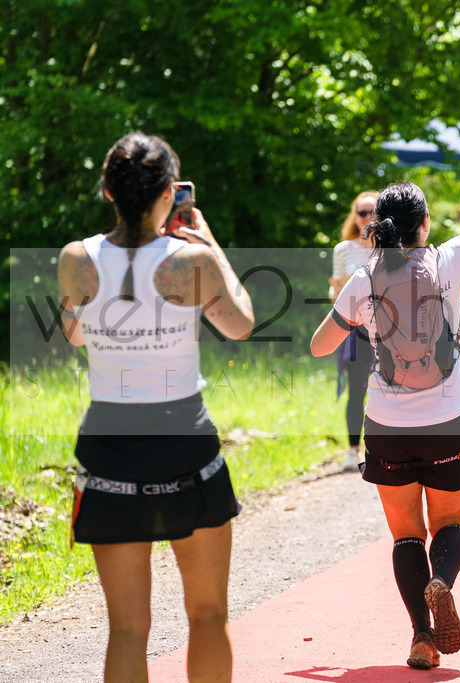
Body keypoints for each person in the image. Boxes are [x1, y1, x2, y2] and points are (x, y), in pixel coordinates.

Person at [310, 102, 460, 669]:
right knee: (452, 524)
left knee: (406, 536)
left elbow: (320, 346)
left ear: (376, 226)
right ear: (424, 224)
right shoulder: (448, 260)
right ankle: (441, 581)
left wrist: (358, 318)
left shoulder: (361, 277)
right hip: (447, 419)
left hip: (386, 426)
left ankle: (422, 638)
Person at [57, 132, 255, 682]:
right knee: (208, 614)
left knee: (126, 629)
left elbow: (74, 336)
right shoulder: (191, 259)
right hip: (184, 438)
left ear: (107, 191)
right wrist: (212, 247)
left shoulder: (76, 257)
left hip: (108, 440)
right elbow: (240, 325)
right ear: (171, 193)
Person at [330, 190, 379, 471]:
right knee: (357, 391)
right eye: (362, 213)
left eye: (373, 212)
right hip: (355, 329)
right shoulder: (343, 249)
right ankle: (352, 450)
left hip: (387, 328)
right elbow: (334, 290)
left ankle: (382, 446)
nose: (367, 218)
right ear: (355, 216)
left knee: (387, 388)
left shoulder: (392, 247)